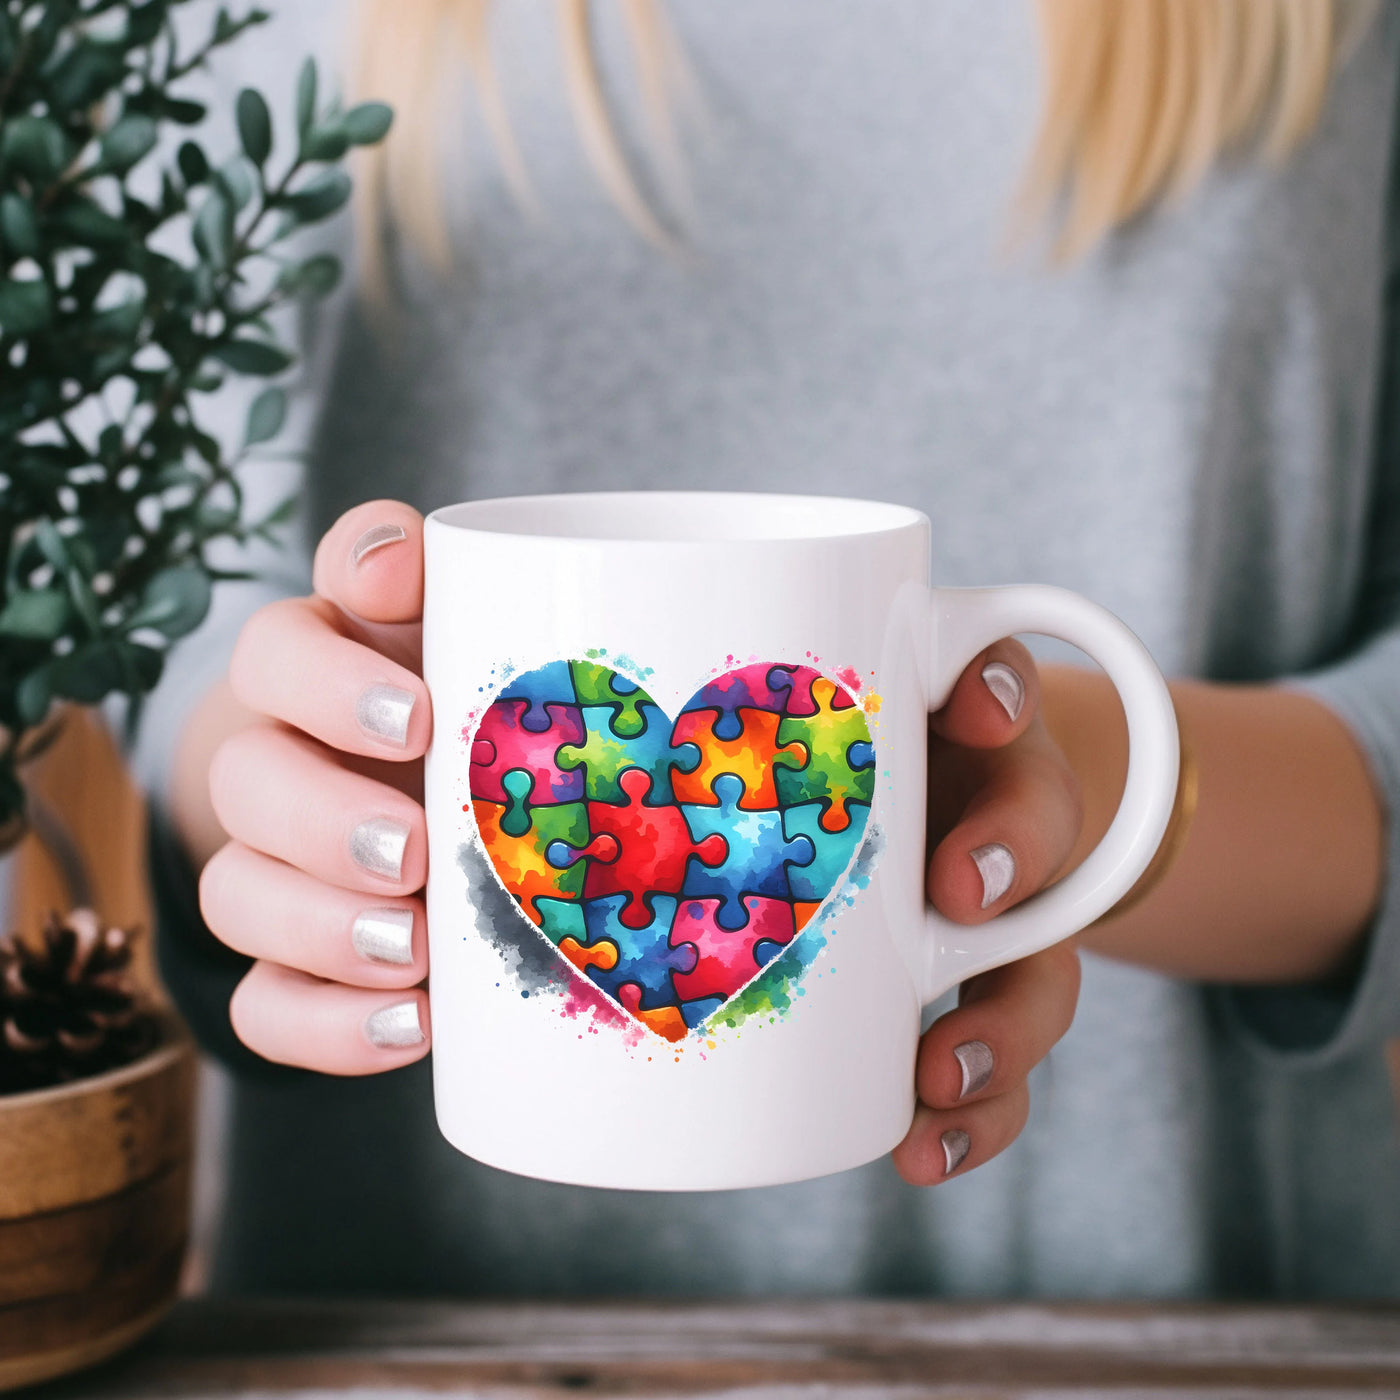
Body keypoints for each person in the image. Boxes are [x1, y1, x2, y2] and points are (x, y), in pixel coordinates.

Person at [143, 0, 1400, 1296]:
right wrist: (266, 784)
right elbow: (160, 596)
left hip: (1188, 1328)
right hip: (392, 1324)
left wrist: (1041, 781)